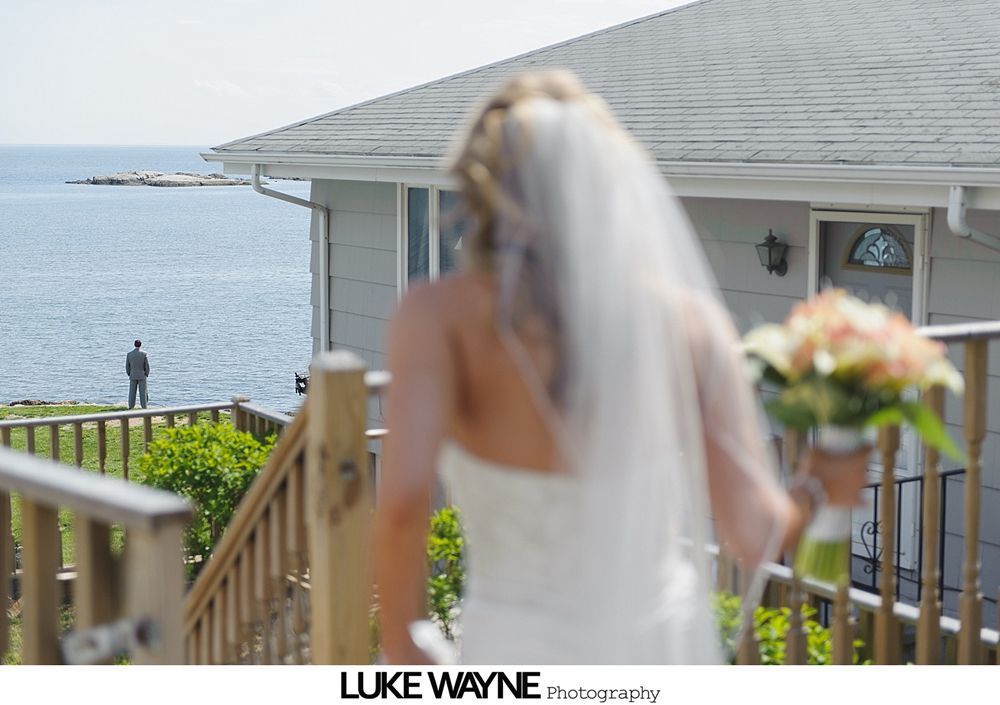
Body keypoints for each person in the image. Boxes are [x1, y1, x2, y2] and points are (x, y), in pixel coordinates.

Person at [375, 71, 869, 665]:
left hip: (514, 648)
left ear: (485, 189)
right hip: (657, 646)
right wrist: (820, 484)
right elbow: (754, 531)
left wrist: (405, 640)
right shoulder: (689, 323)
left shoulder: (436, 318)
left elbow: (403, 502)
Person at [125, 339, 150, 409]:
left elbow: (127, 366)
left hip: (133, 375)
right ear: (140, 345)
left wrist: (129, 373)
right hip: (142, 375)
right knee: (143, 393)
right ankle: (144, 406)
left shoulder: (129, 354)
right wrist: (146, 374)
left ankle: (131, 406)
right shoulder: (144, 354)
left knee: (132, 392)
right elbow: (147, 366)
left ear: (134, 344)